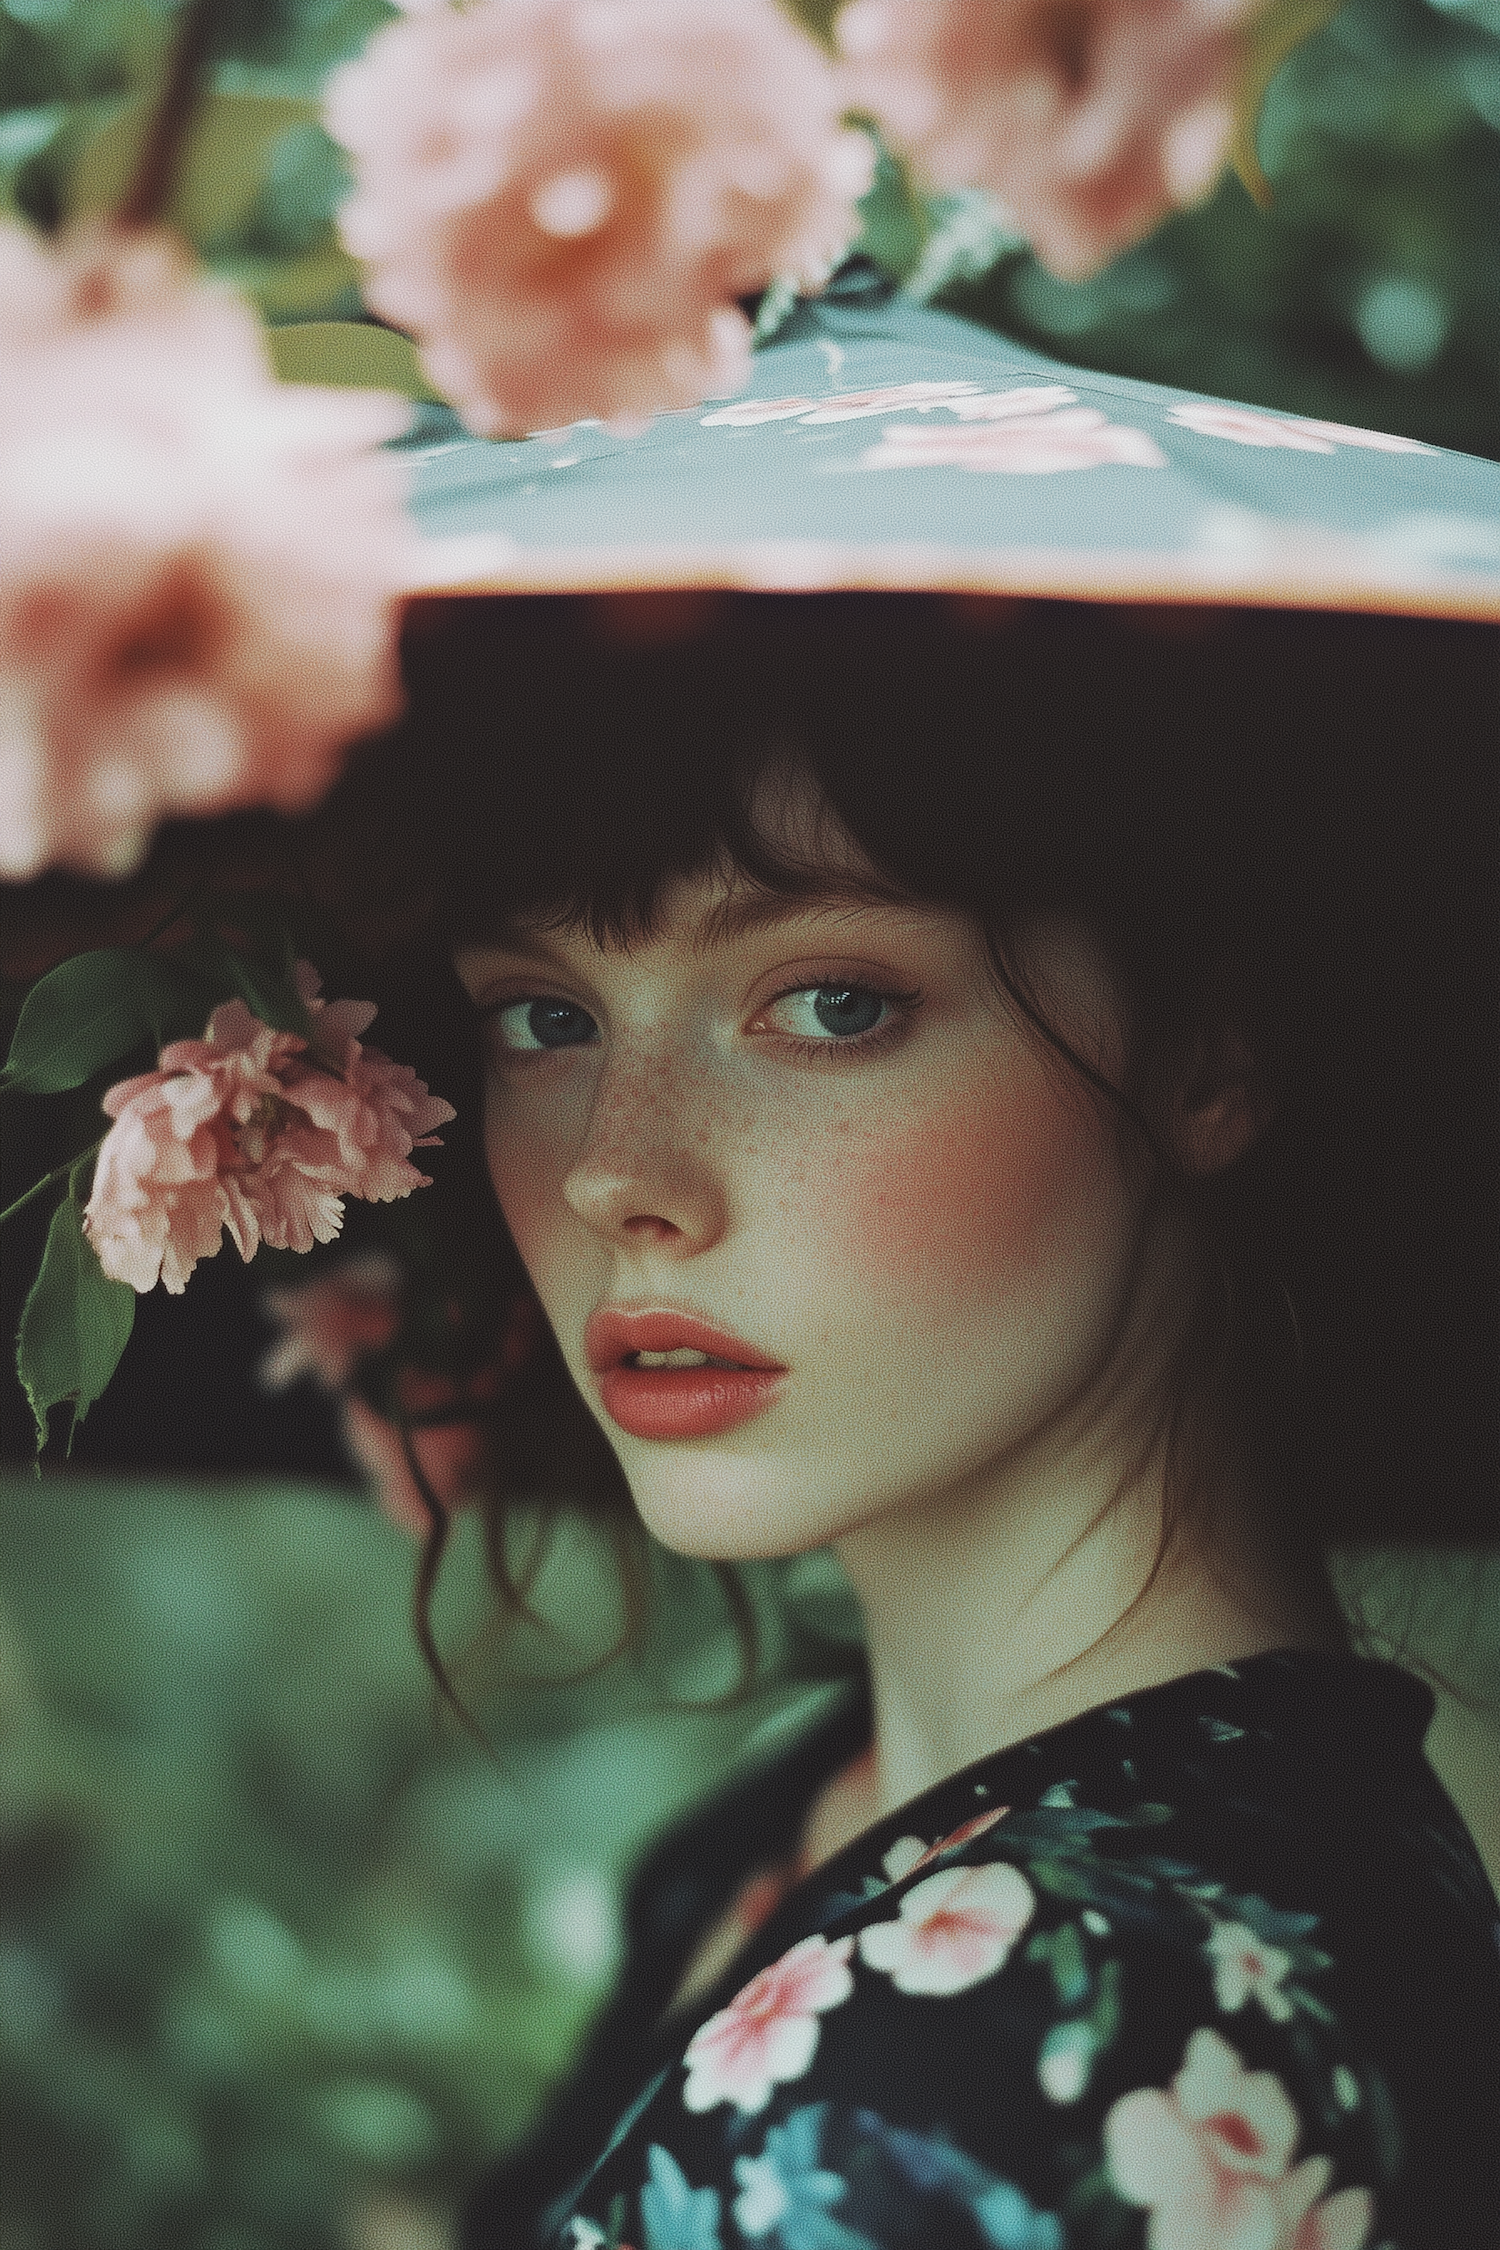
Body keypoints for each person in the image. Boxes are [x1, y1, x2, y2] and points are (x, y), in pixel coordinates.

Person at [298, 589, 1500, 2250]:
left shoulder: (1009, 2063)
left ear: (1210, 1056)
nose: (613, 1170)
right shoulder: (862, 1815)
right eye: (545, 1015)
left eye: (833, 1003)